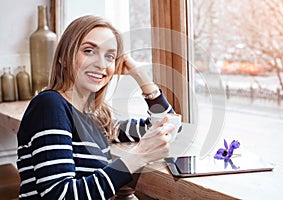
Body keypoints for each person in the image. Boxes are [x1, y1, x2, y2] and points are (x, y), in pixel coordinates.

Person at [17, 15, 176, 199]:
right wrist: (138, 156)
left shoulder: (97, 117)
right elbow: (60, 195)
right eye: (89, 51)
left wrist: (140, 76)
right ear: (63, 57)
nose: (101, 64)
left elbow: (167, 127)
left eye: (110, 56)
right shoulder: (50, 105)